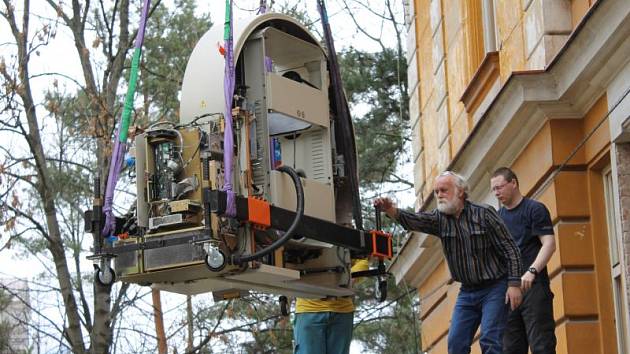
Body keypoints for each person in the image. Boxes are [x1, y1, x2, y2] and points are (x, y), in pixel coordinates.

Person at [374, 170, 523, 354]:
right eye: (436, 192)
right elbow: (415, 220)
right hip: (467, 292)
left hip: (494, 287)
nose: (439, 195)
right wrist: (391, 210)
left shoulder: (484, 214)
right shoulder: (439, 219)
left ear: (460, 191)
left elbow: (511, 248)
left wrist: (514, 283)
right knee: (455, 344)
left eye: (443, 190)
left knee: (490, 340)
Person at [490, 167, 557, 354]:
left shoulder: (534, 209)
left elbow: (549, 244)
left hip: (534, 287)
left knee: (542, 345)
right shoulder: (497, 219)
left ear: (513, 183)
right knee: (510, 348)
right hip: (508, 292)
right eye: (494, 190)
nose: (497, 193)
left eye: (500, 187)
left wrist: (532, 271)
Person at [293, 259, 369, 354]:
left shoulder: (344, 247)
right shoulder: (301, 245)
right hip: (309, 310)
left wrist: (347, 280)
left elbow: (362, 262)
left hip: (342, 312)